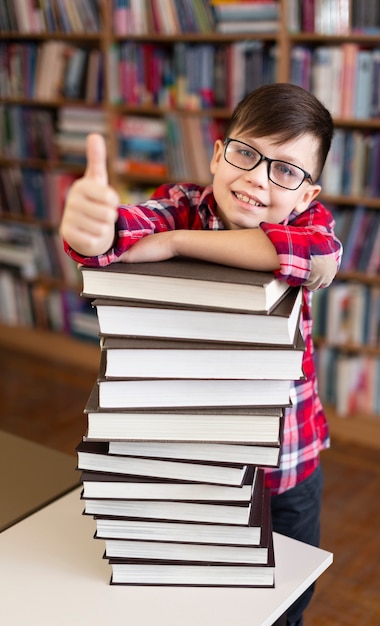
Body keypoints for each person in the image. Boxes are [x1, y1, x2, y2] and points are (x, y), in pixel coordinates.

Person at [60, 83, 342, 625]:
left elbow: (318, 257)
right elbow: (121, 233)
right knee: (190, 590)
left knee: (286, 598)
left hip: (288, 463)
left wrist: (177, 245)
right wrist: (91, 230)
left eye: (286, 170)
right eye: (246, 153)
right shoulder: (182, 205)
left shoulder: (310, 225)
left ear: (307, 194)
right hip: (190, 461)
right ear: (218, 154)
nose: (259, 177)